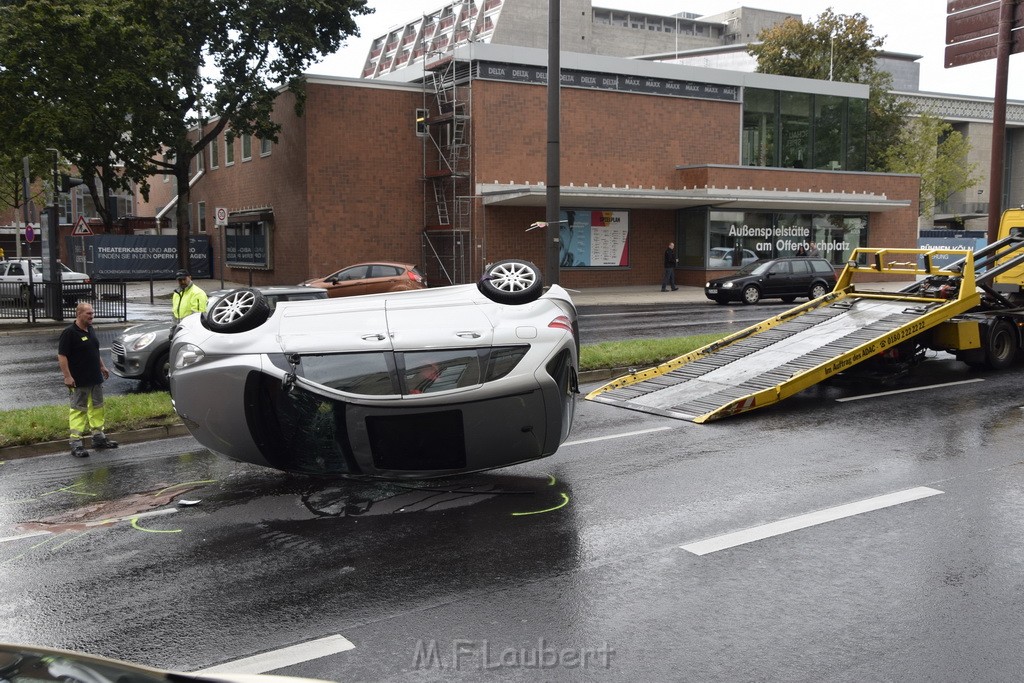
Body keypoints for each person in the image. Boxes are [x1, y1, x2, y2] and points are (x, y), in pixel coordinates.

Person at [57, 302, 118, 458]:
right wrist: (67, 376)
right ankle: (76, 444)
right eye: (88, 314)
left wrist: (102, 367)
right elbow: (62, 356)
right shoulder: (69, 333)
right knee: (78, 411)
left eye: (92, 313)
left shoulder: (90, 329)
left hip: (94, 378)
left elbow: (94, 351)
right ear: (79, 314)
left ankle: (98, 438)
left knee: (97, 408)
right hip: (79, 380)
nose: (92, 316)